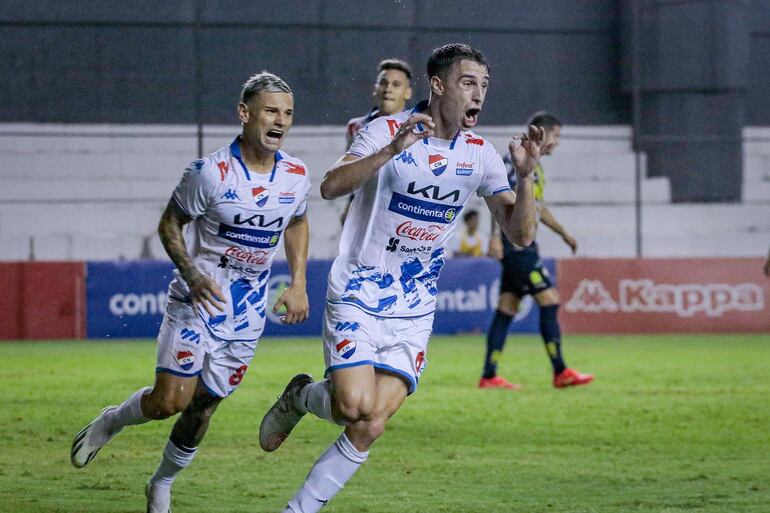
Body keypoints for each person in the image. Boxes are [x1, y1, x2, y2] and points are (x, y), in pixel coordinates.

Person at [258, 43, 548, 513]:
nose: (478, 95)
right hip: (357, 290)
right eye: (468, 83)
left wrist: (525, 176)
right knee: (352, 406)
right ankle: (302, 396)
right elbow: (331, 186)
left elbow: (520, 234)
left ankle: (299, 508)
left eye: (484, 86)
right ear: (438, 85)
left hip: (413, 307)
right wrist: (393, 150)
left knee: (371, 423)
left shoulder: (480, 154)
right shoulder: (386, 130)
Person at [70, 72, 311, 513]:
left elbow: (296, 222)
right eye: (272, 110)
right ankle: (112, 421)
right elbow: (169, 223)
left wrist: (298, 282)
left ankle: (161, 482)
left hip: (248, 309)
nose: (281, 121)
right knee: (169, 401)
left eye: (288, 113)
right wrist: (192, 273)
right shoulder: (210, 173)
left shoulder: (295, 175)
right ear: (245, 113)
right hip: (198, 299)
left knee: (203, 407)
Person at [479, 111, 593, 390]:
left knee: (507, 307)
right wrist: (495, 237)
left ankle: (489, 375)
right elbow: (500, 198)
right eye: (557, 136)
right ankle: (560, 371)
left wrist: (564, 233)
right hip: (516, 244)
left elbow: (537, 210)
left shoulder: (535, 168)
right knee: (550, 300)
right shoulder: (516, 161)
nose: (558, 142)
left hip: (521, 243)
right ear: (544, 133)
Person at [341, 58, 413, 225]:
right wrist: (349, 206)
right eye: (383, 83)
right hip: (366, 209)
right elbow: (352, 170)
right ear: (375, 88)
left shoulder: (415, 128)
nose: (388, 89)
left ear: (407, 92)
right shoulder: (356, 126)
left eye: (396, 85)